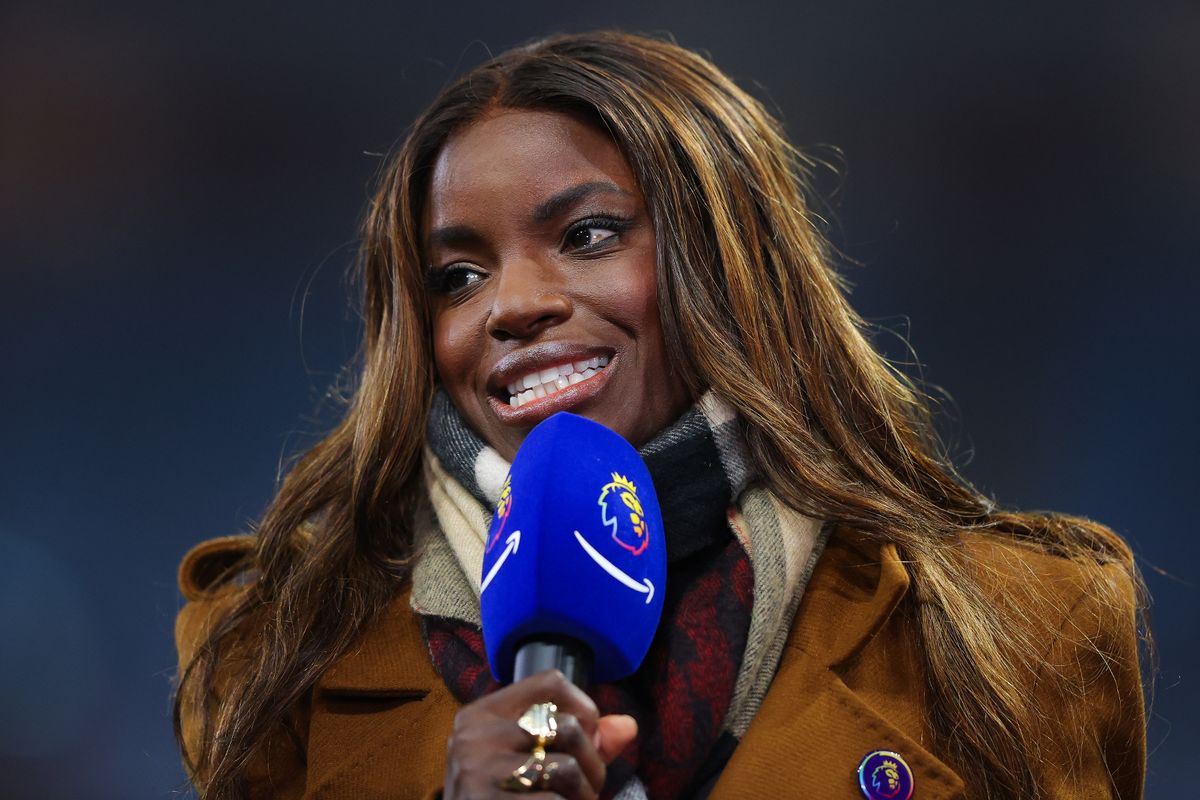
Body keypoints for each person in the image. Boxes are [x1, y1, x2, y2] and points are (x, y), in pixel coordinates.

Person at [173, 31, 1147, 800]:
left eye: (587, 234)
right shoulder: (276, 654)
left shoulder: (1023, 631)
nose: (511, 304)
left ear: (731, 262)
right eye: (458, 275)